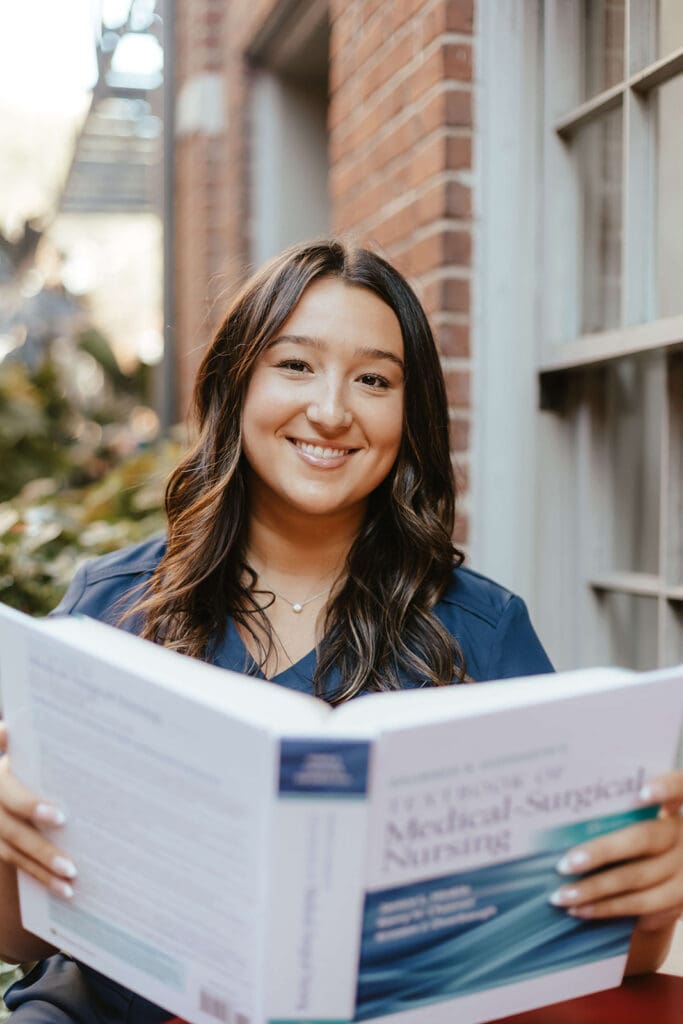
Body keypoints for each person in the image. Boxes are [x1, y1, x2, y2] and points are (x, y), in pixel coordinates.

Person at [0, 239, 681, 1022]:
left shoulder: (483, 632)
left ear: (409, 414)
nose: (330, 410)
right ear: (235, 384)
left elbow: (591, 951)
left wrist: (653, 897)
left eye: (373, 379)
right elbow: (21, 939)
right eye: (294, 365)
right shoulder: (110, 607)